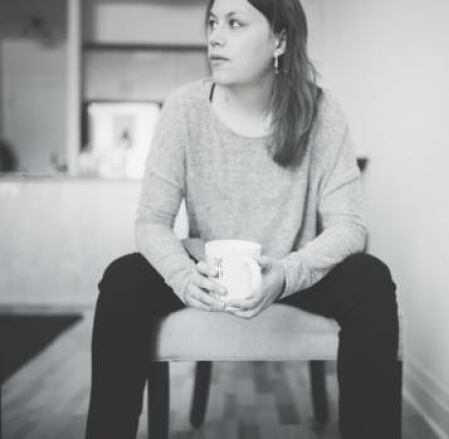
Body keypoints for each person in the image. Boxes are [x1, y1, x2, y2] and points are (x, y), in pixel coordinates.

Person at [84, 0, 402, 437]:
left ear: (280, 39)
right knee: (122, 278)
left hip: (288, 270)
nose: (214, 36)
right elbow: (151, 221)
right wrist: (182, 276)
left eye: (235, 23)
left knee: (371, 279)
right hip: (206, 274)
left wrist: (288, 273)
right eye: (213, 23)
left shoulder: (321, 112)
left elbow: (350, 225)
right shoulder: (184, 109)